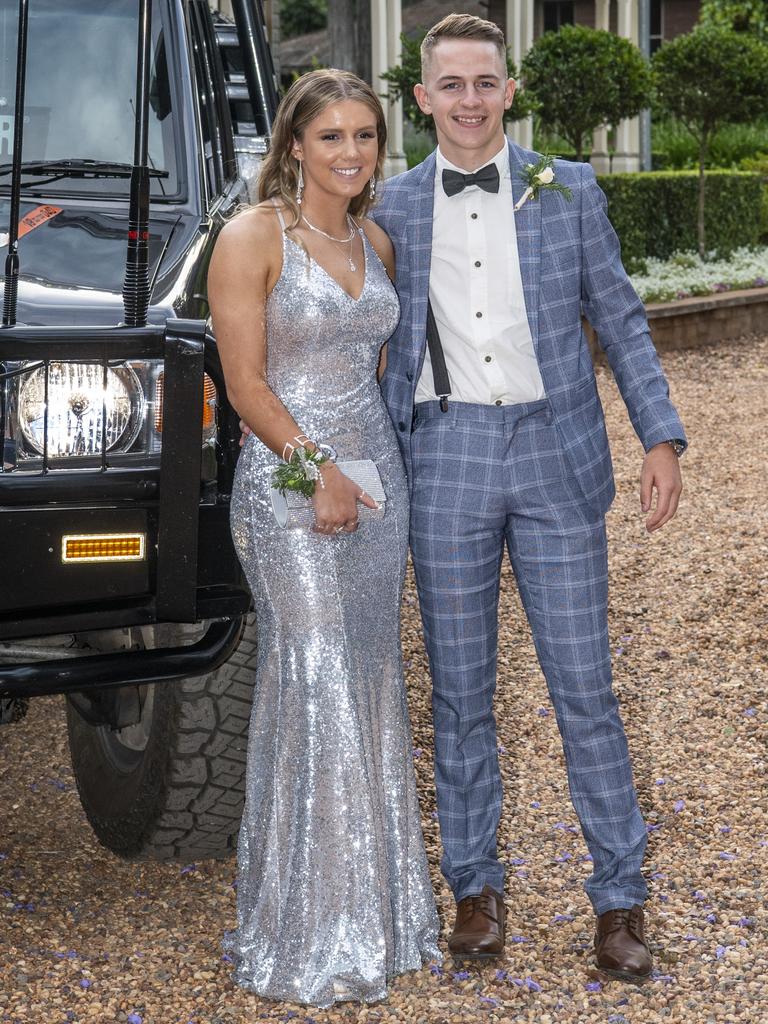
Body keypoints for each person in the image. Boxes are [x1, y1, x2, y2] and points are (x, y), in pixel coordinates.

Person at [370, 13, 686, 979]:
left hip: (556, 451)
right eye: (450, 85)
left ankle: (619, 902)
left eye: (485, 82)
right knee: (460, 695)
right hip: (448, 457)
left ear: (509, 90)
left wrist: (660, 434)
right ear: (420, 99)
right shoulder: (389, 206)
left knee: (584, 686)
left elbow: (621, 318)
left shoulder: (570, 189)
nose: (469, 100)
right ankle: (475, 891)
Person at [207, 69, 440, 1009]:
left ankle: (378, 921)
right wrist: (319, 473)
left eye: (366, 137)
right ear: (293, 143)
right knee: (316, 679)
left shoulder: (375, 238)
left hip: (376, 492)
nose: (352, 153)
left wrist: (364, 474)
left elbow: (370, 373)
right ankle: (307, 930)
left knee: (373, 678)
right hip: (287, 489)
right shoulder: (252, 237)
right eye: (332, 137)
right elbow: (246, 386)